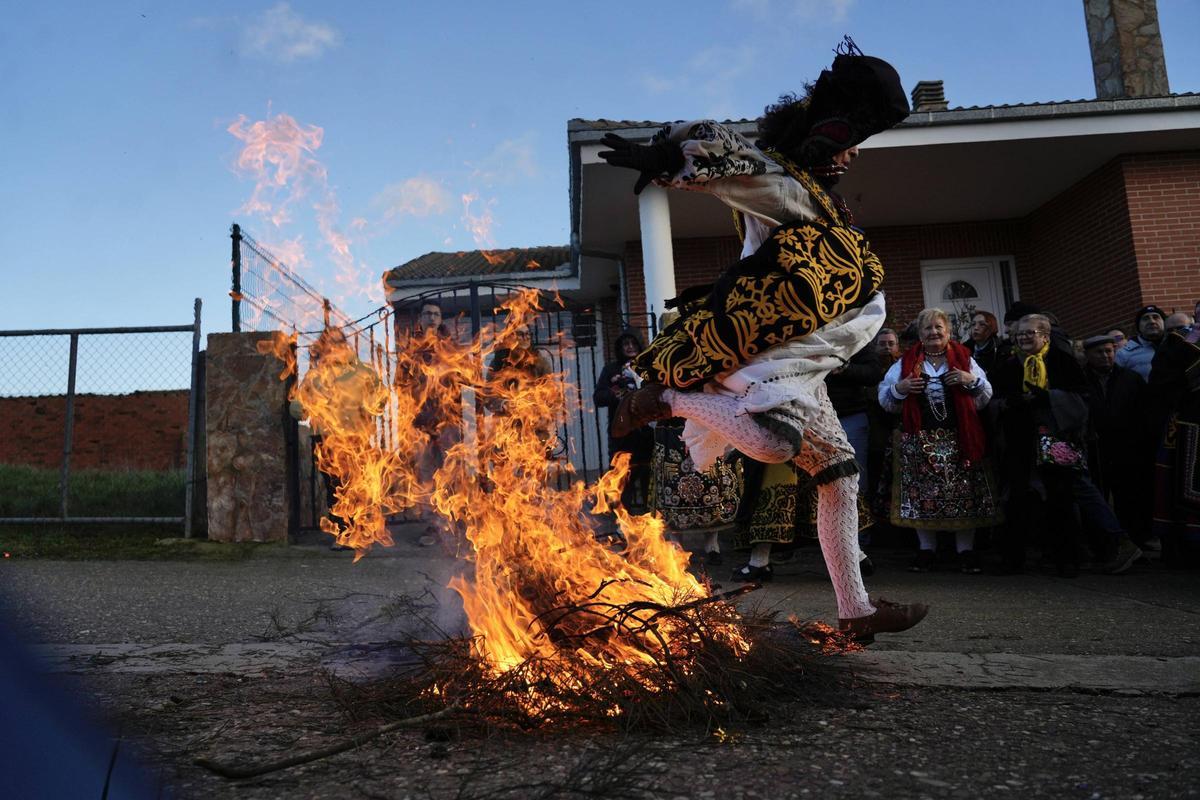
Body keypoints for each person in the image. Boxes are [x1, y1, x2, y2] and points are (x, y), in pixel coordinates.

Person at [599, 39, 927, 642]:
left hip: (812, 356)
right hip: (770, 350)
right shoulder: (786, 188)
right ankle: (664, 402)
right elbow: (738, 168)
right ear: (827, 135)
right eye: (851, 140)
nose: (854, 154)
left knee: (839, 475)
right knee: (777, 449)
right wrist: (672, 154)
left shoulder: (817, 197)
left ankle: (854, 611)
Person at [994, 315, 1142, 576]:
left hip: (1059, 437)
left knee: (1071, 491)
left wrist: (1049, 398)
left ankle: (1109, 544)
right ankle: (1019, 556)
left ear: (1045, 336)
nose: (1024, 338)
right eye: (1020, 334)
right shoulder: (1009, 365)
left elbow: (1083, 398)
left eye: (1030, 333)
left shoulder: (1062, 361)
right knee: (1020, 494)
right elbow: (995, 400)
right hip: (1022, 440)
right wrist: (1011, 402)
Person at [878, 307, 1001, 574]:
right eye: (927, 329)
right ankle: (926, 550)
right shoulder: (906, 362)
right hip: (919, 440)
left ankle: (965, 551)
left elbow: (985, 396)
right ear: (920, 334)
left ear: (948, 332)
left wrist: (971, 380)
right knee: (923, 496)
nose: (933, 333)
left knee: (964, 493)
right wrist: (900, 389)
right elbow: (885, 399)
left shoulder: (965, 358)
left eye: (938, 328)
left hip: (960, 438)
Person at [1081, 334, 1150, 549]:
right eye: (1099, 352)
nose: (1105, 356)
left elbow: (1143, 411)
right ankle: (1104, 546)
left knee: (1129, 497)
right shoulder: (1081, 380)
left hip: (1126, 446)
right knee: (1099, 496)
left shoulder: (1130, 378)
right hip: (1095, 447)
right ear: (1088, 355)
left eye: (1109, 351)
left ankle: (1136, 542)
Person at [1147, 323, 1200, 566]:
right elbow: (1162, 386)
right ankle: (1183, 546)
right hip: (1188, 424)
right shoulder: (1178, 344)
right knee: (1179, 486)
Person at [594, 331, 654, 513]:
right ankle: (623, 519)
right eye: (625, 344)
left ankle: (650, 520)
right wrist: (616, 392)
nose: (629, 347)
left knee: (648, 477)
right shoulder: (611, 370)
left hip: (647, 433)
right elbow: (599, 398)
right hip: (622, 434)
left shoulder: (649, 367)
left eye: (633, 343)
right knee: (621, 478)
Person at [1115, 305, 1166, 380]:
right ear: (1138, 326)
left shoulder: (1176, 345)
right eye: (1146, 318)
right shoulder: (1123, 354)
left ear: (1164, 322)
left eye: (1156, 317)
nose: (1152, 321)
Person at [968, 310, 1003, 378]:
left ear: (991, 327)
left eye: (982, 324)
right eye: (973, 324)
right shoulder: (965, 348)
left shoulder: (1000, 350)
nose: (976, 328)